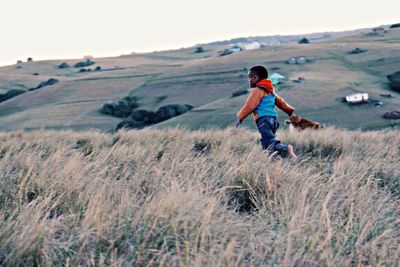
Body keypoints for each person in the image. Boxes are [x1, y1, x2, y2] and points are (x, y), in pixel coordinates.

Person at [236, 66, 297, 158]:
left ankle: (286, 148)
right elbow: (281, 103)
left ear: (261, 78)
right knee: (266, 142)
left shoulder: (257, 90)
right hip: (273, 120)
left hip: (264, 120)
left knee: (270, 141)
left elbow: (250, 105)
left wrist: (240, 117)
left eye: (253, 77)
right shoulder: (270, 92)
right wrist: (289, 111)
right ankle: (267, 160)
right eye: (249, 78)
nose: (250, 80)